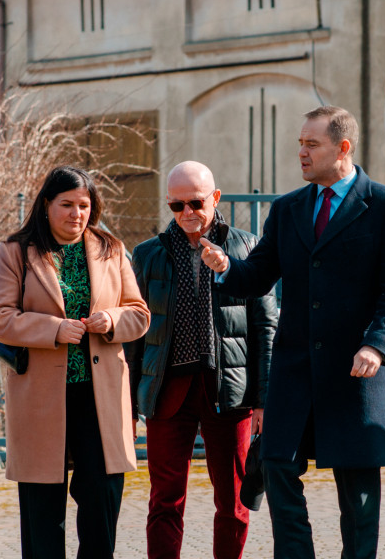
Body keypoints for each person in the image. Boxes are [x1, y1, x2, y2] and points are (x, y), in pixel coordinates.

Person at [200, 105, 385, 559]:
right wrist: (226, 267)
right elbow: (257, 275)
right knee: (276, 465)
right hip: (295, 373)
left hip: (358, 375)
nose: (301, 152)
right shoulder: (287, 209)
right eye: (300, 143)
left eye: (312, 144)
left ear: (342, 148)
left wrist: (378, 345)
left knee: (358, 497)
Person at [0, 165, 150, 559]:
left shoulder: (111, 248)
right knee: (43, 510)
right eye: (67, 204)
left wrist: (111, 320)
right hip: (41, 398)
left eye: (84, 205)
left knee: (101, 500)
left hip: (101, 398)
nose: (77, 213)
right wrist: (54, 329)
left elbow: (139, 314)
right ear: (47, 205)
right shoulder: (16, 251)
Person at [126, 161, 278, 559]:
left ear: (215, 197)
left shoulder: (247, 248)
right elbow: (135, 333)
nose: (187, 213)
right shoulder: (147, 255)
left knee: (233, 500)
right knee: (164, 499)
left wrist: (263, 400)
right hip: (166, 389)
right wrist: (129, 402)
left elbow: (265, 329)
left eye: (195, 202)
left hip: (229, 391)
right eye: (177, 206)